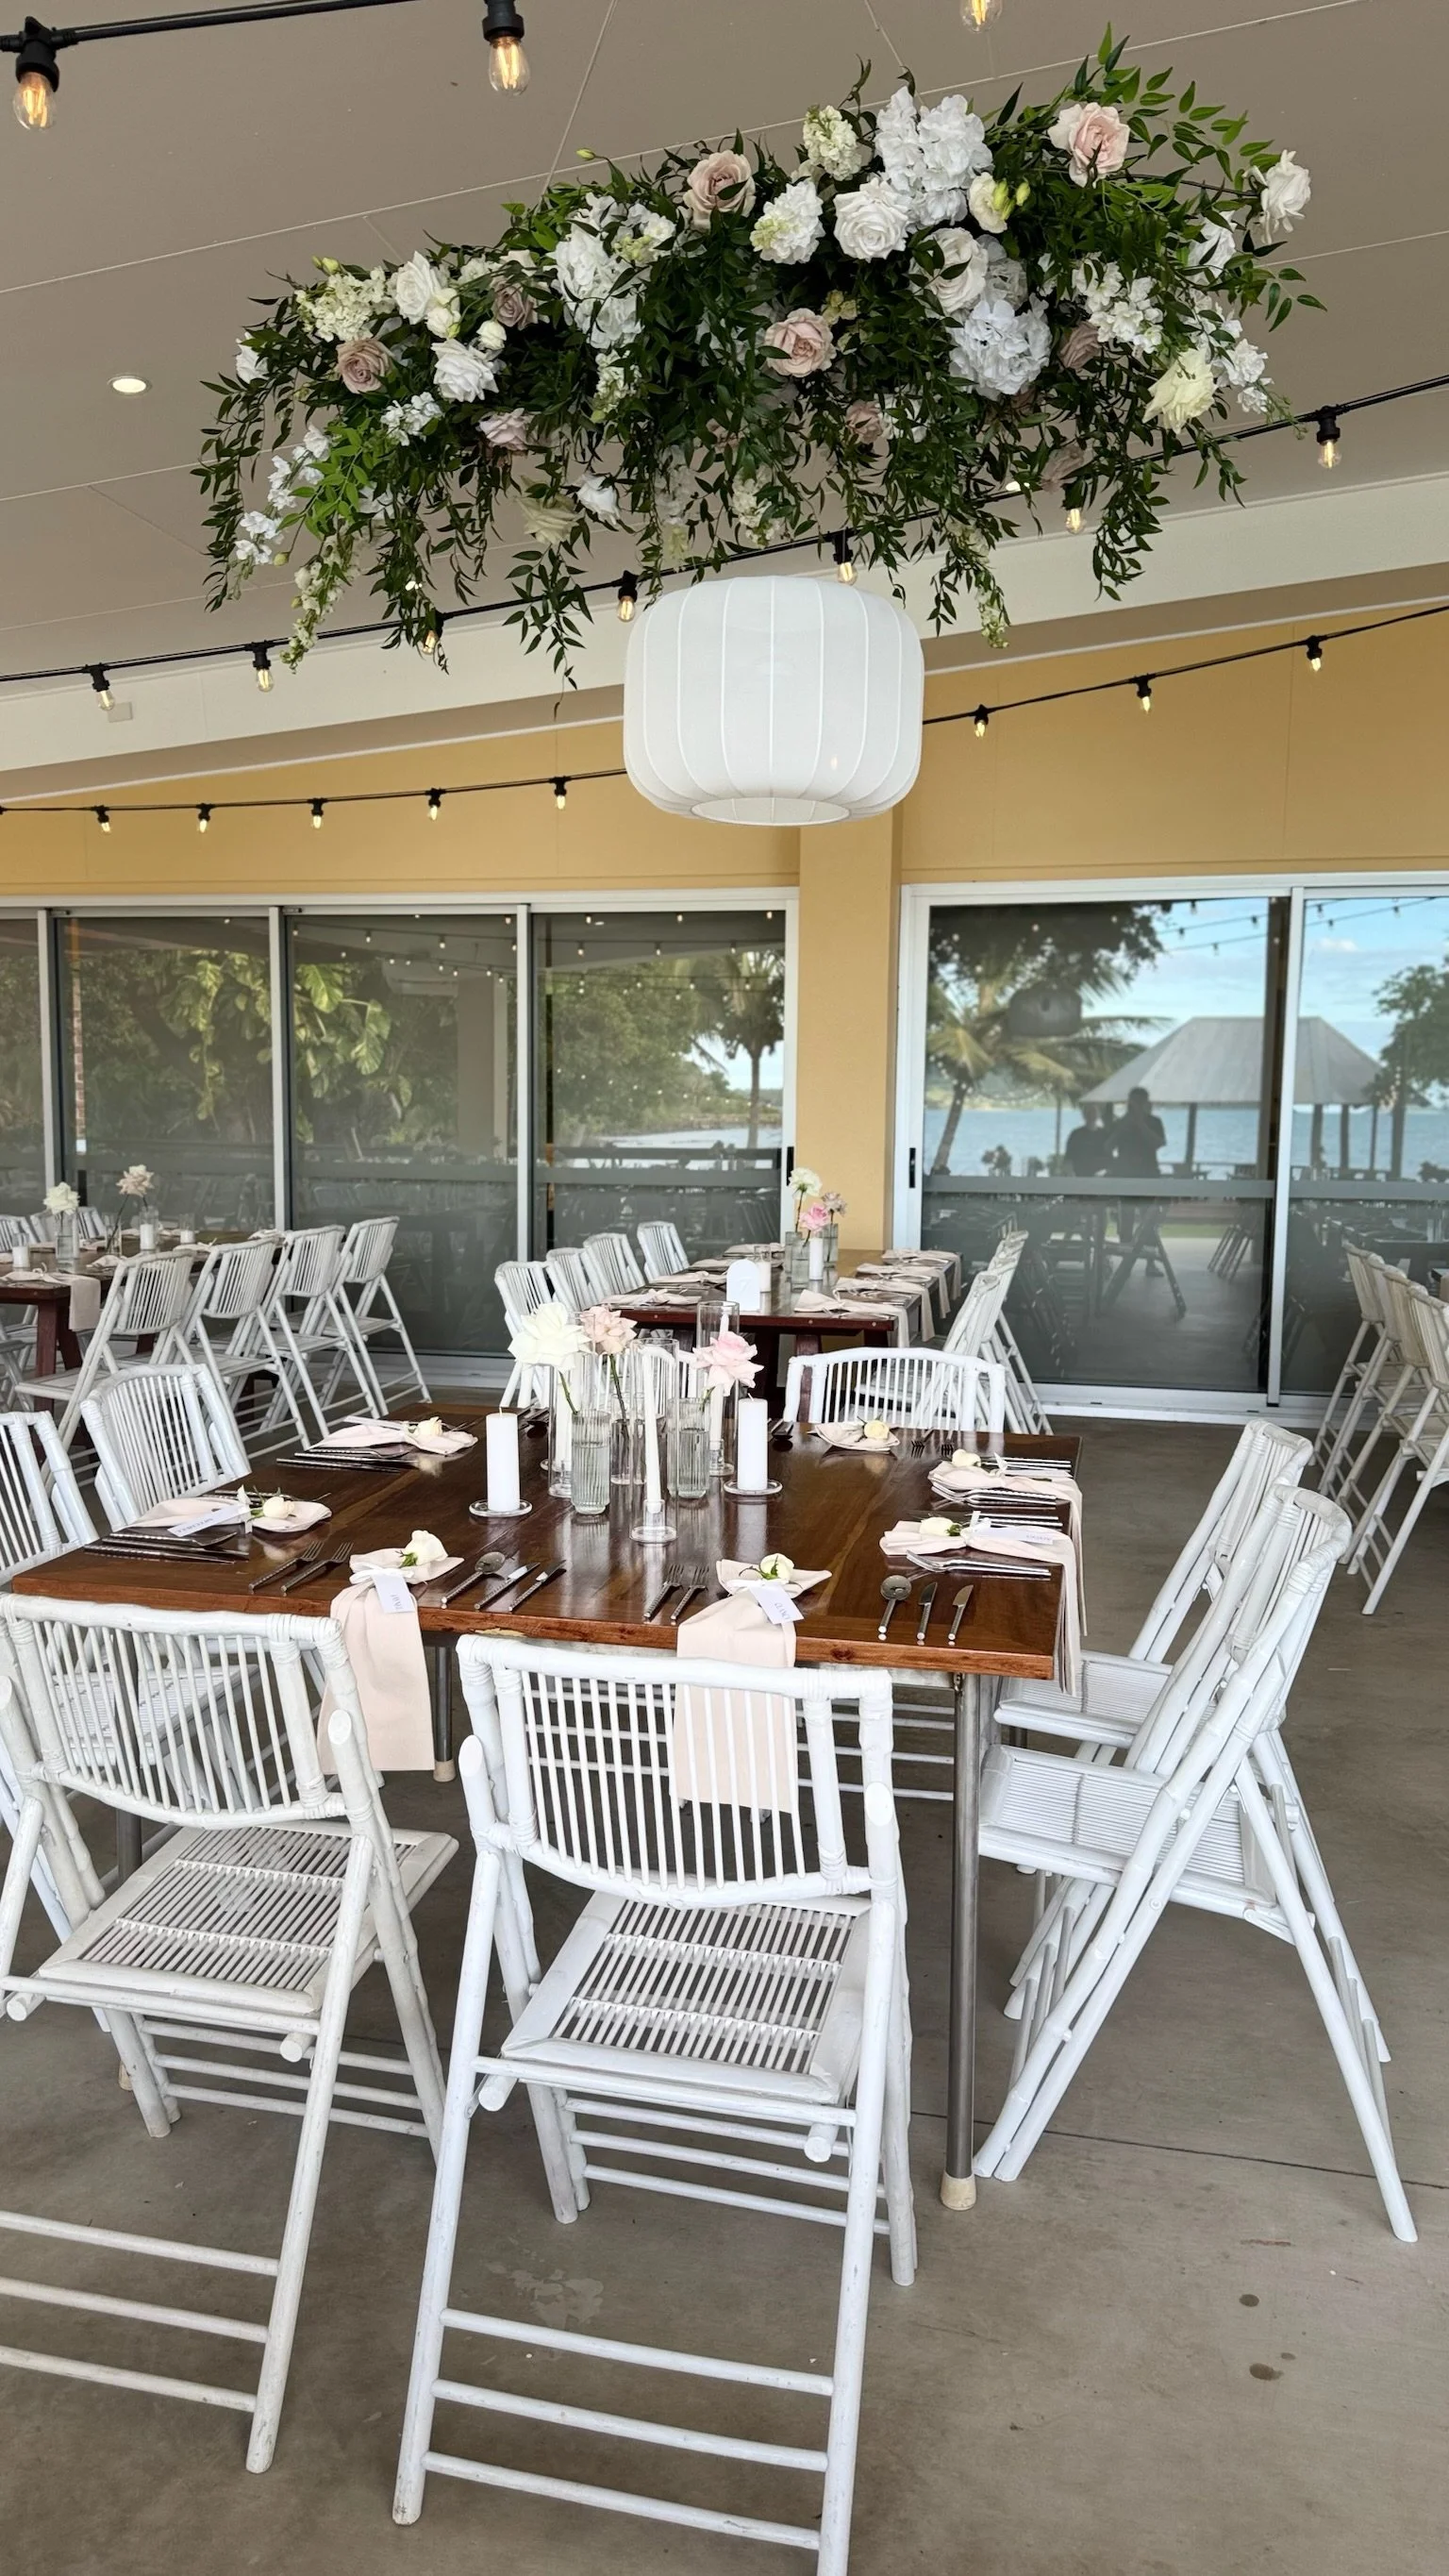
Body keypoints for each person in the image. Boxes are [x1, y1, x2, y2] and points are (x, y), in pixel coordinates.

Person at [1110, 1086, 1166, 1179]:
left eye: (1139, 1102)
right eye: (1133, 1101)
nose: (1136, 1105)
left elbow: (1159, 1143)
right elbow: (1108, 1147)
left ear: (1145, 1103)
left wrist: (1141, 1125)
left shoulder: (1154, 1122)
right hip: (1124, 1172)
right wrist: (1121, 1129)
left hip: (1148, 1170)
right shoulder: (1121, 1122)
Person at [1061, 1102, 1112, 1179]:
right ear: (1084, 1115)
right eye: (1089, 1112)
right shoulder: (1076, 1134)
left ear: (1098, 1114)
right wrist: (1071, 1175)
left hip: (1100, 1178)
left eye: (1094, 1112)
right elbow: (1068, 1158)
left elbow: (1109, 1158)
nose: (1091, 1115)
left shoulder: (1104, 1135)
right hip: (1080, 1177)